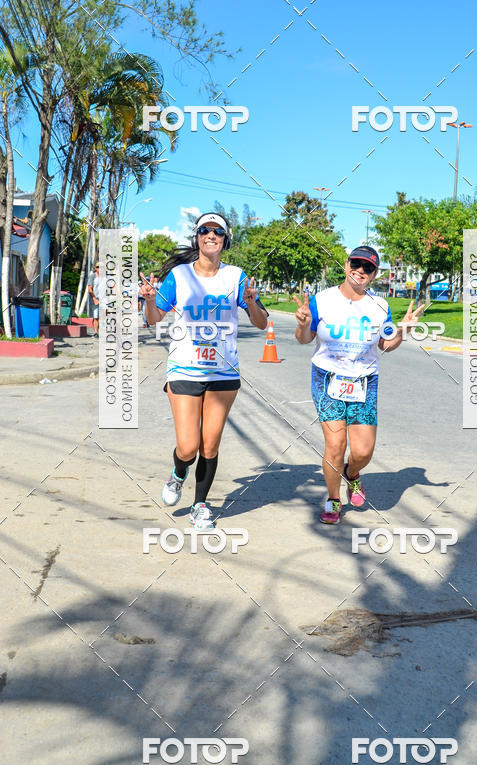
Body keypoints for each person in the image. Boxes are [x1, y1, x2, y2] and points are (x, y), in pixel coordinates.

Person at [140, 212, 268, 530]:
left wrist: (251, 302)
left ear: (226, 240)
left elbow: (262, 322)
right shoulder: (180, 276)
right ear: (197, 237)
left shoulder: (237, 277)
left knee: (210, 445)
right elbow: (155, 318)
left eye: (218, 232)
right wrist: (150, 301)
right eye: (205, 230)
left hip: (223, 374)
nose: (211, 235)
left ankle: (200, 505)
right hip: (184, 370)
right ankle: (178, 473)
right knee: (188, 446)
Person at [293, 245, 424, 525]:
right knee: (336, 445)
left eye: (368, 268)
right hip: (327, 378)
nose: (361, 271)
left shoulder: (379, 306)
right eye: (357, 264)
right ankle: (333, 498)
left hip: (365, 380)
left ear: (375, 274)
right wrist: (303, 323)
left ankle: (352, 474)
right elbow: (304, 338)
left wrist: (402, 330)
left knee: (363, 452)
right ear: (346, 264)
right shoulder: (323, 300)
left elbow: (386, 345)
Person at [86, 262, 101, 337]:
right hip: (94, 298)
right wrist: (94, 298)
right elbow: (89, 289)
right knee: (96, 316)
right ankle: (95, 332)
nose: (100, 269)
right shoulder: (93, 276)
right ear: (96, 268)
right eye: (98, 267)